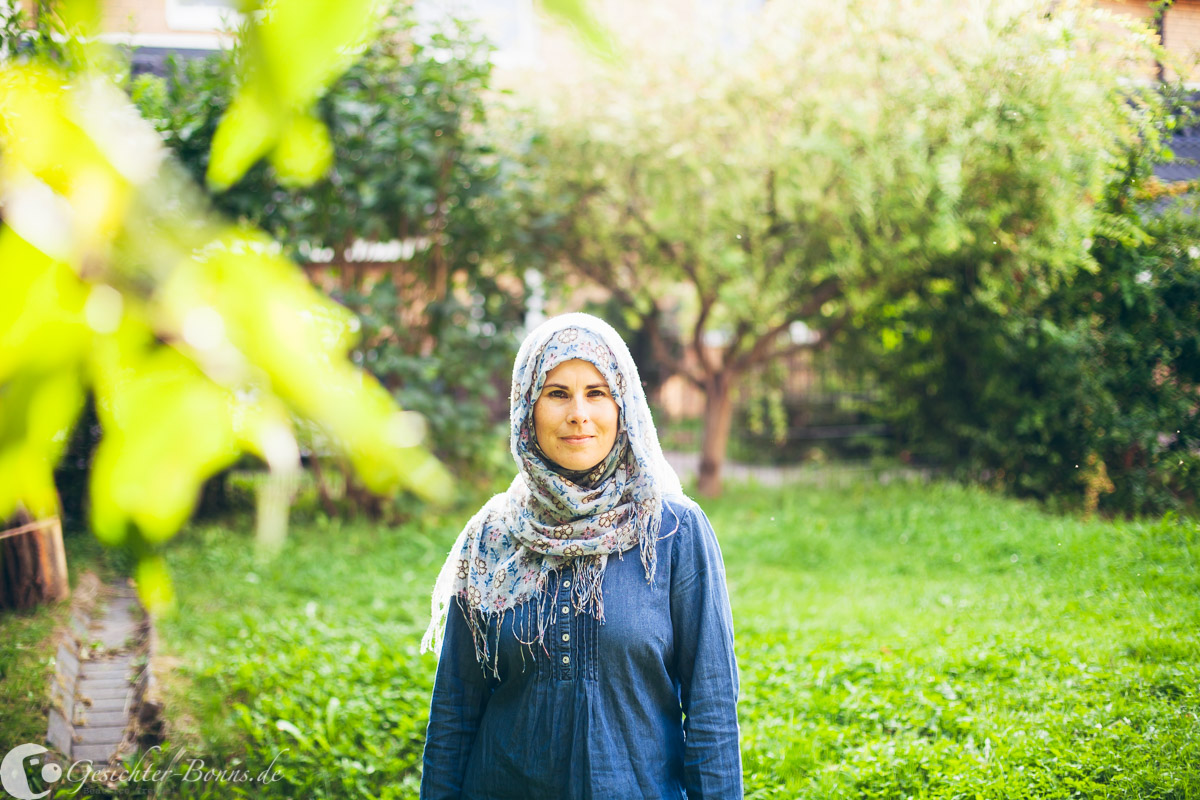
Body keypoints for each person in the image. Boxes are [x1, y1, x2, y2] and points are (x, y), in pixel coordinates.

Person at [420, 312, 742, 800]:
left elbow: (711, 707)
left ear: (624, 405)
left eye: (596, 393)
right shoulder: (492, 535)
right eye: (557, 394)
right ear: (527, 408)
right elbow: (455, 709)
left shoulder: (674, 530)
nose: (579, 414)